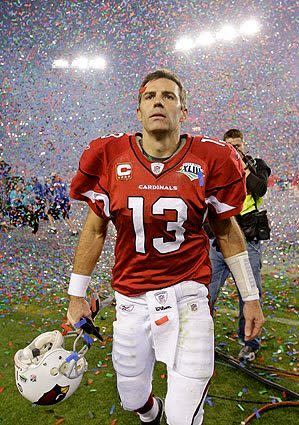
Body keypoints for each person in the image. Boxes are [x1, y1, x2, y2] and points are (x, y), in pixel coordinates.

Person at [66, 69, 264, 425]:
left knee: (183, 416)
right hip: (130, 299)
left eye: (169, 96)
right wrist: (76, 294)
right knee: (132, 398)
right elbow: (95, 229)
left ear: (183, 111)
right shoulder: (110, 156)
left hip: (187, 296)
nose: (159, 101)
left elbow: (226, 229)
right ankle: (150, 413)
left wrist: (250, 297)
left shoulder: (211, 158)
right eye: (150, 96)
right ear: (139, 111)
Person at [208, 129, 271, 362]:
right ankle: (202, 340)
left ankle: (250, 344)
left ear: (244, 145)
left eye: (237, 145)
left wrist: (242, 168)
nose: (234, 149)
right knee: (205, 292)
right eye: (229, 146)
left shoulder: (258, 166)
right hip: (218, 241)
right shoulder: (216, 169)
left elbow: (260, 188)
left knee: (251, 294)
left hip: (248, 240)